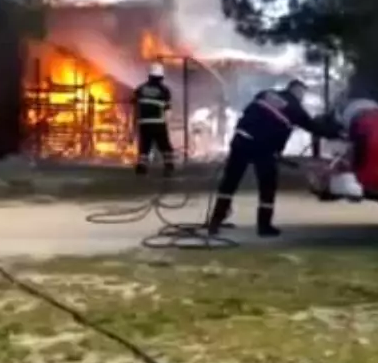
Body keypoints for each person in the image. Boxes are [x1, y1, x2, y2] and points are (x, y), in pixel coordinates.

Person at [206, 79, 345, 237]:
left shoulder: (265, 94)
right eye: (302, 93)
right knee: (267, 187)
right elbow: (314, 127)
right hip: (264, 148)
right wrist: (338, 133)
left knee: (229, 182)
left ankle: (215, 223)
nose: (302, 97)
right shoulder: (295, 108)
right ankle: (264, 227)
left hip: (241, 140)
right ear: (296, 91)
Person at [132, 62, 175, 177]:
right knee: (164, 145)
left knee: (144, 145)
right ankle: (168, 166)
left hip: (144, 122)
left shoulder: (140, 88)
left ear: (149, 76)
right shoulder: (164, 90)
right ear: (161, 76)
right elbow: (167, 109)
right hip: (158, 122)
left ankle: (141, 167)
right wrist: (167, 121)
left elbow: (134, 102)